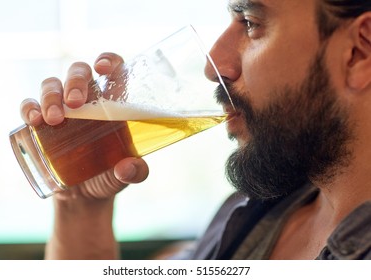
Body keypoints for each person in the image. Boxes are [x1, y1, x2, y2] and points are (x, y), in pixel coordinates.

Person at [20, 0, 371, 260]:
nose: (214, 63)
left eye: (250, 23)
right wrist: (80, 208)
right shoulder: (259, 209)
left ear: (358, 53)